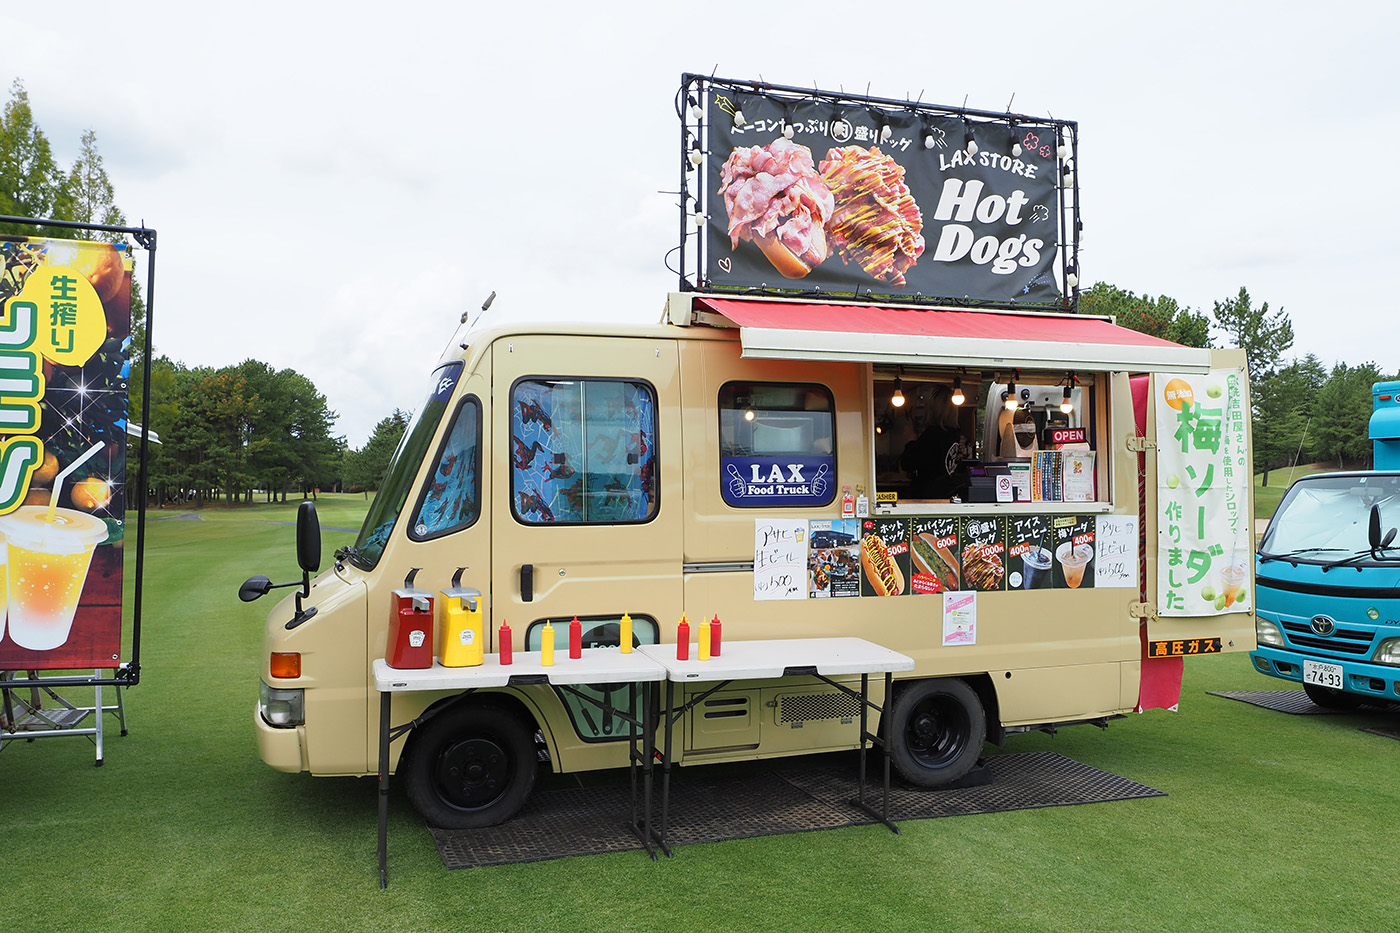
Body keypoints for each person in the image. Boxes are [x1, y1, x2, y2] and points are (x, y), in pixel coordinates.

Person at [901, 386, 971, 498]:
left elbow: (908, 463)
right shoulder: (954, 434)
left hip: (929, 497)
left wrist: (911, 440)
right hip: (947, 495)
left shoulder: (933, 434)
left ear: (931, 409)